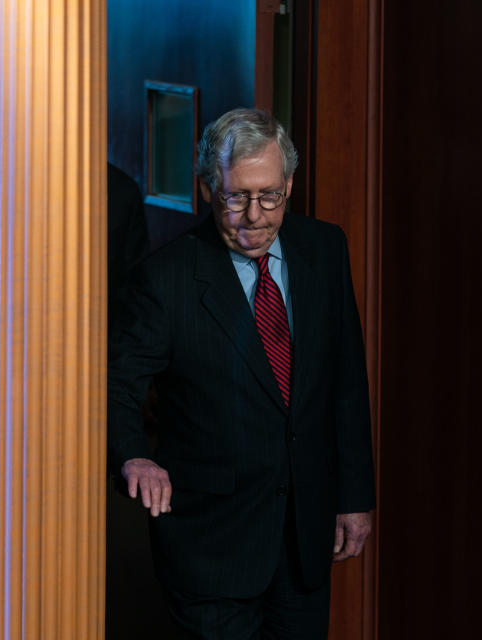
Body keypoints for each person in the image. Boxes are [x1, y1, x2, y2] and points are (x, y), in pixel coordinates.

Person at [107, 108, 375, 639]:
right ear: (210, 188)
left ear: (290, 183)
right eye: (237, 197)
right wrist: (134, 455)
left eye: (270, 195)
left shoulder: (325, 249)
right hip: (211, 544)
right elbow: (115, 385)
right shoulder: (165, 279)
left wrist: (354, 497)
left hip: (304, 536)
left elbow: (345, 380)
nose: (255, 216)